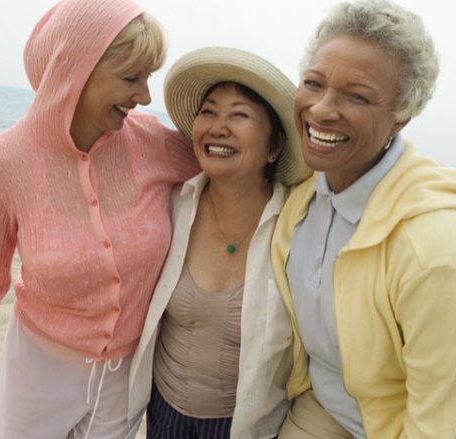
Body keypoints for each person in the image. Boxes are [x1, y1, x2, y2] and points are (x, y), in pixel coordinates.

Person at [0, 0, 199, 438]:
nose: (145, 96)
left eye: (147, 77)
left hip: (124, 379)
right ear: (75, 70)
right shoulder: (2, 162)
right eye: (132, 77)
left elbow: (230, 165)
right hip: (37, 371)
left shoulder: (149, 142)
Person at [271, 0, 456, 438]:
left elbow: (435, 415)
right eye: (313, 83)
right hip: (330, 399)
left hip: (422, 420)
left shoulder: (434, 246)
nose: (321, 109)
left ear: (401, 116)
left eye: (356, 96)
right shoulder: (304, 193)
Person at [126, 47, 312, 439]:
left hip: (247, 427)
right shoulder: (174, 203)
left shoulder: (298, 226)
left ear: (275, 146)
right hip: (163, 412)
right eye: (208, 112)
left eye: (239, 115)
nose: (218, 127)